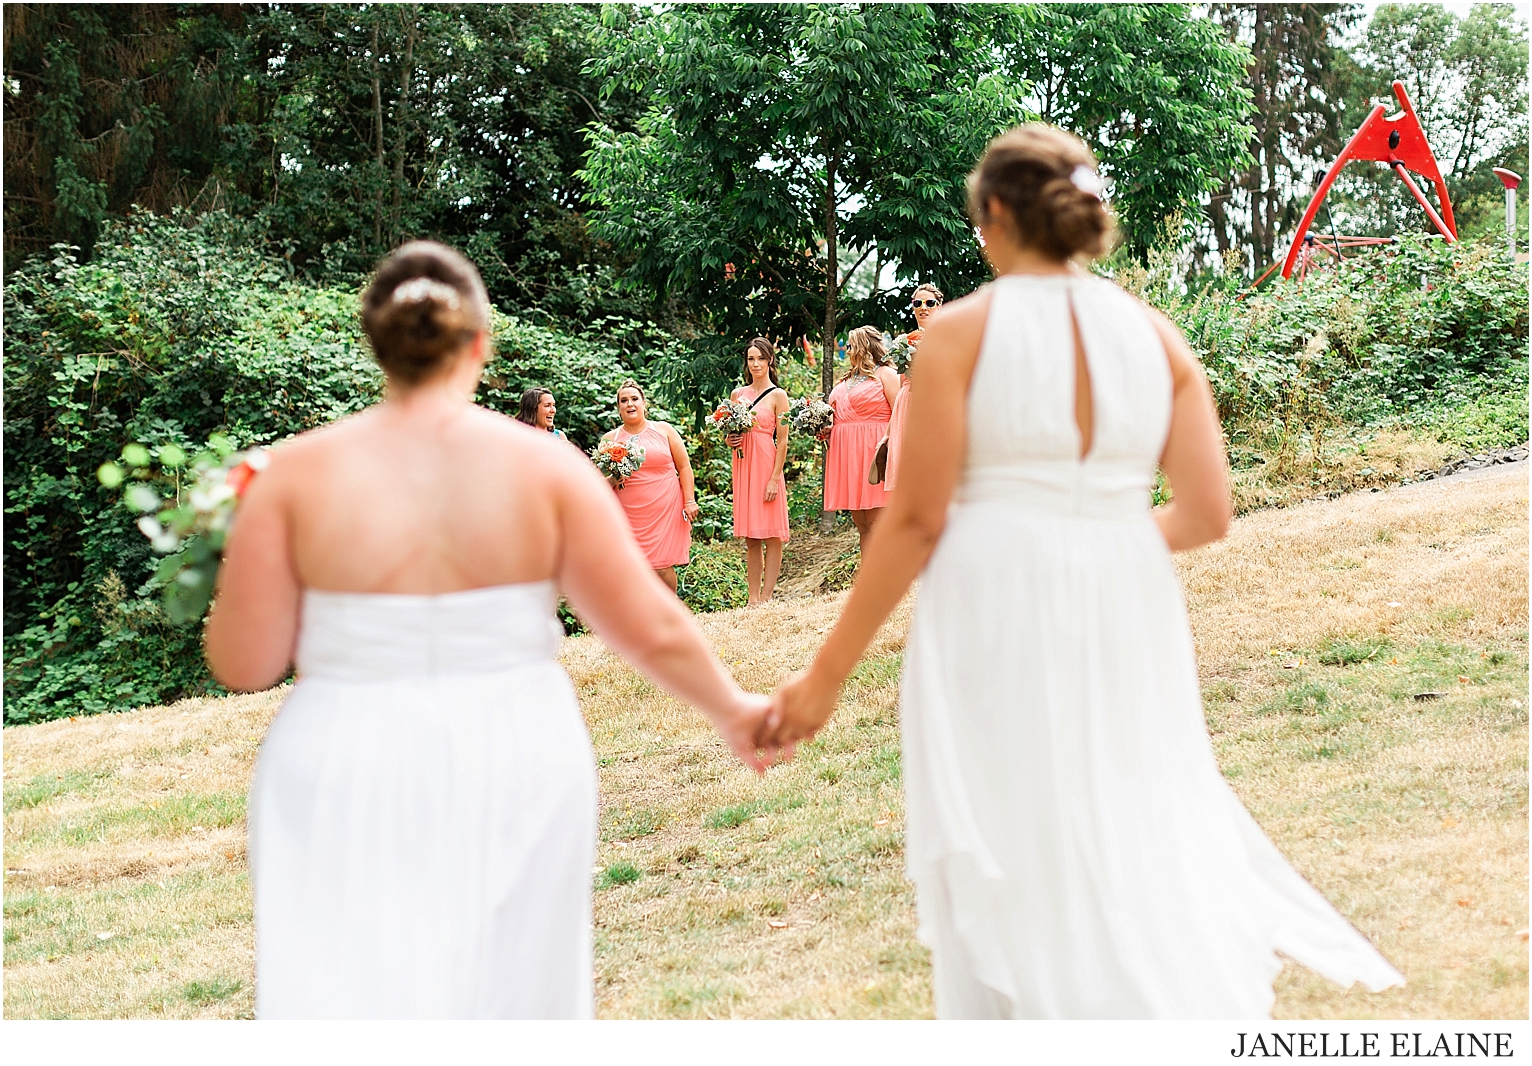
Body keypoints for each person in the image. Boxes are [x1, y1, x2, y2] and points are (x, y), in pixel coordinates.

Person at [764, 125, 1404, 1017]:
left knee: (1012, 818)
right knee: (1127, 801)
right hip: (1125, 593)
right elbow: (1207, 513)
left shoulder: (958, 334)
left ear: (993, 212)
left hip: (989, 597)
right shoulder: (1157, 335)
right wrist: (1097, 538)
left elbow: (912, 520)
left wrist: (824, 676)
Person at [204, 242, 774, 1019]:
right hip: (516, 750)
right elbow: (647, 624)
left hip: (344, 757)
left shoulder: (291, 476)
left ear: (376, 345)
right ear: (481, 343)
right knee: (514, 994)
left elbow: (244, 661)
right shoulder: (546, 466)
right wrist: (733, 709)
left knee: (350, 995)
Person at [602, 380, 698, 593]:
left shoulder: (664, 430)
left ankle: (670, 611)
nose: (630, 404)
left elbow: (684, 467)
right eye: (624, 401)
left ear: (644, 403)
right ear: (618, 408)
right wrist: (613, 480)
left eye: (634, 399)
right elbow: (596, 483)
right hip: (628, 513)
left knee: (662, 567)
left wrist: (689, 500)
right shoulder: (610, 439)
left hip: (665, 510)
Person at [725, 338, 791, 604]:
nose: (755, 364)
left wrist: (774, 478)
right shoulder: (736, 395)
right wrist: (729, 439)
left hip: (766, 464)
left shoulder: (779, 396)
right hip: (743, 465)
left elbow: (784, 439)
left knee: (772, 534)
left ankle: (766, 596)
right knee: (752, 536)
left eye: (760, 359)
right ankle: (752, 598)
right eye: (751, 359)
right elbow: (729, 431)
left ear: (769, 360)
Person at [823, 325, 899, 546]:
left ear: (864, 347)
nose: (847, 351)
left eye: (850, 346)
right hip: (849, 457)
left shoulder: (886, 374)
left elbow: (900, 412)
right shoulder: (844, 380)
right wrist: (826, 428)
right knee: (862, 524)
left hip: (874, 453)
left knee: (877, 523)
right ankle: (868, 579)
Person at [884, 284, 943, 492]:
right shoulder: (904, 341)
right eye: (918, 303)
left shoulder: (947, 337)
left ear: (939, 306)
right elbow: (901, 384)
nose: (923, 308)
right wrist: (888, 432)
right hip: (907, 404)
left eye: (929, 303)